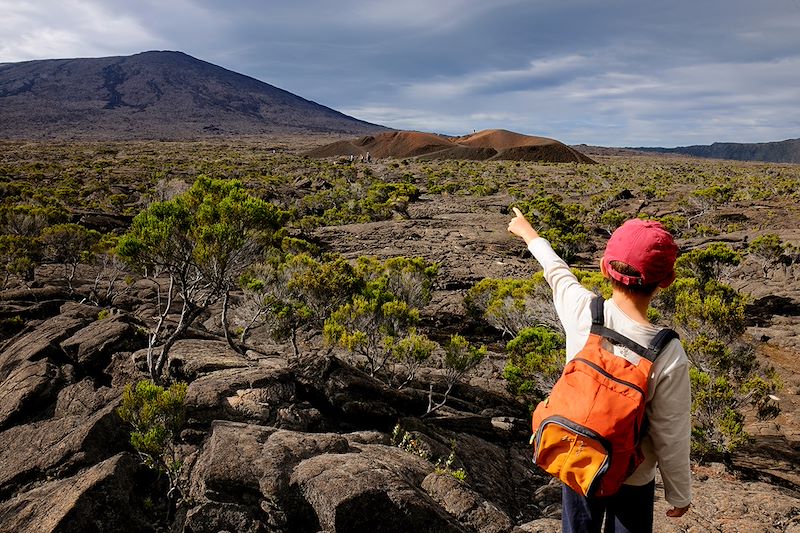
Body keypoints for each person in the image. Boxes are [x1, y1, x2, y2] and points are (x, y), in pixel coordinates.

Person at [507, 208, 691, 533]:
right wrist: (679, 493)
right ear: (666, 280)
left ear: (605, 267)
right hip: (633, 476)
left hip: (578, 456)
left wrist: (528, 233)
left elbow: (556, 271)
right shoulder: (667, 352)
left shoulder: (583, 310)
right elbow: (671, 433)